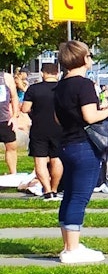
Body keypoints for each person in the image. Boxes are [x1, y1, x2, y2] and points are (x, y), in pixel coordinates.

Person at [49, 41, 108, 264]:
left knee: (68, 196)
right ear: (84, 58)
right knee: (79, 197)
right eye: (90, 55)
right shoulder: (84, 84)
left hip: (66, 143)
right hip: (83, 145)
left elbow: (58, 118)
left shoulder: (60, 86)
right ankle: (73, 250)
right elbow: (90, 116)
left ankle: (69, 245)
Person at [22, 63, 63, 201]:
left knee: (39, 161)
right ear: (57, 73)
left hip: (39, 128)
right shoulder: (63, 89)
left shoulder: (34, 89)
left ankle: (47, 191)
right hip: (59, 127)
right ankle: (55, 189)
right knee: (56, 159)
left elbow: (25, 108)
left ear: (42, 73)